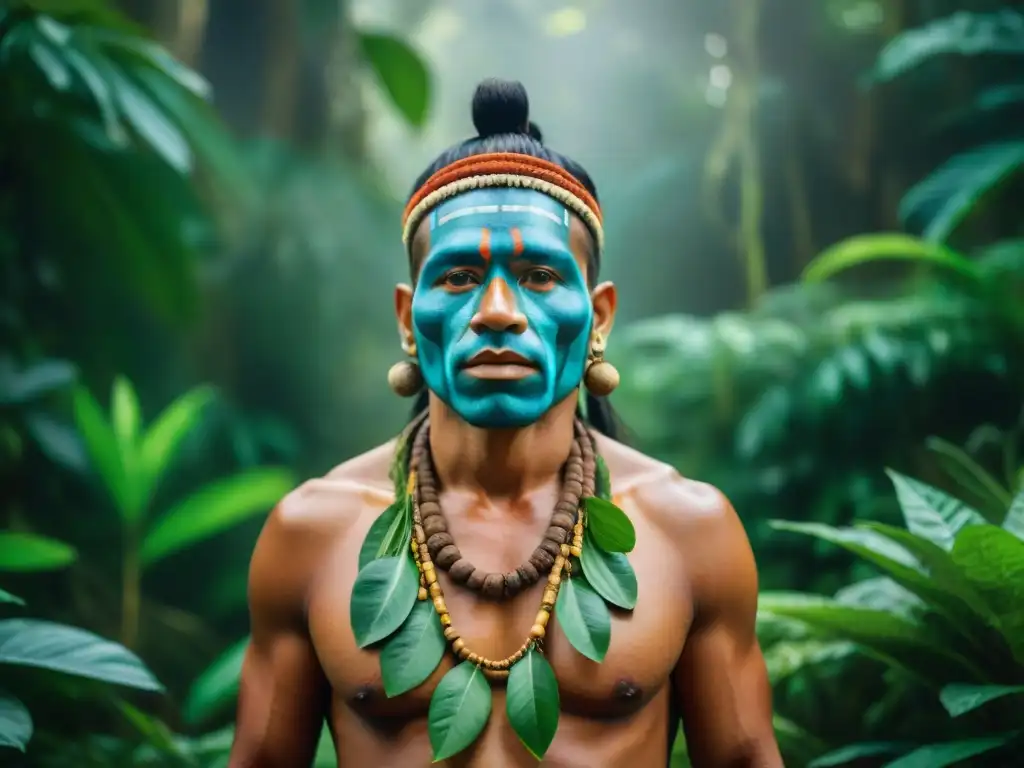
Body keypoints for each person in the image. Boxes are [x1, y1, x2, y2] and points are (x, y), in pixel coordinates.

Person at [227, 79, 782, 768]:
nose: (496, 310)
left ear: (598, 316)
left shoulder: (688, 529)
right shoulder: (312, 532)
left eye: (540, 276)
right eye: (459, 276)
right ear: (408, 317)